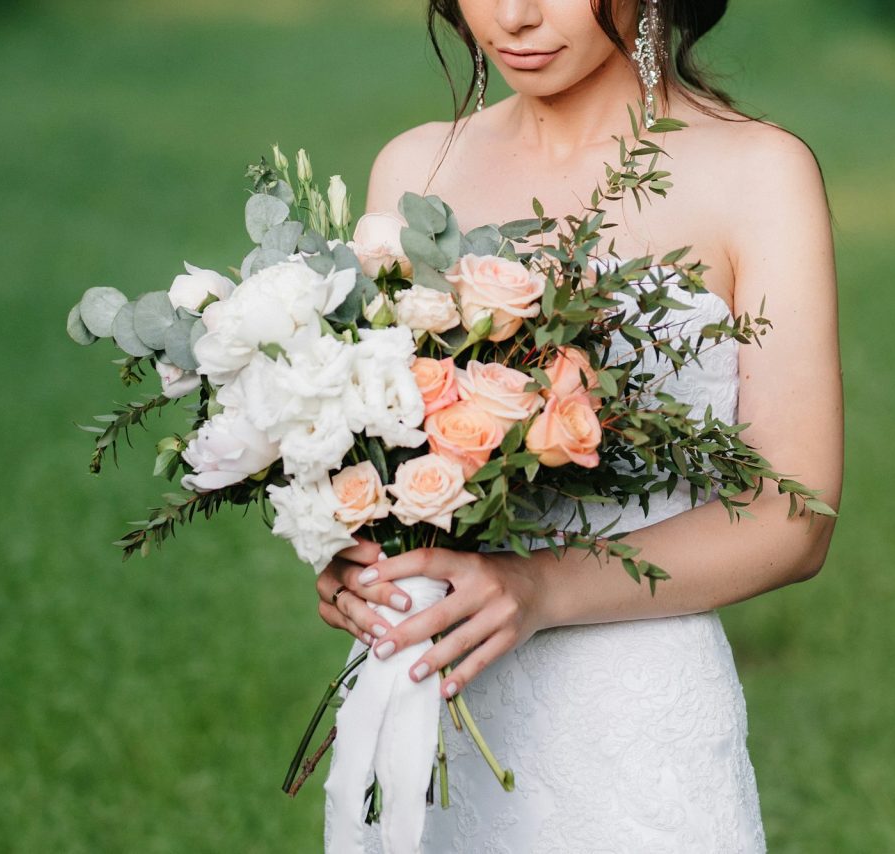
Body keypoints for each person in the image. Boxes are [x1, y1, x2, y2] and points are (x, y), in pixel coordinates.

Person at [316, 0, 843, 850]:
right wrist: (356, 555)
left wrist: (540, 589)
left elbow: (796, 515)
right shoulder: (417, 165)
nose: (516, 16)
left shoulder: (757, 173)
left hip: (630, 707)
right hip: (431, 685)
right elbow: (382, 436)